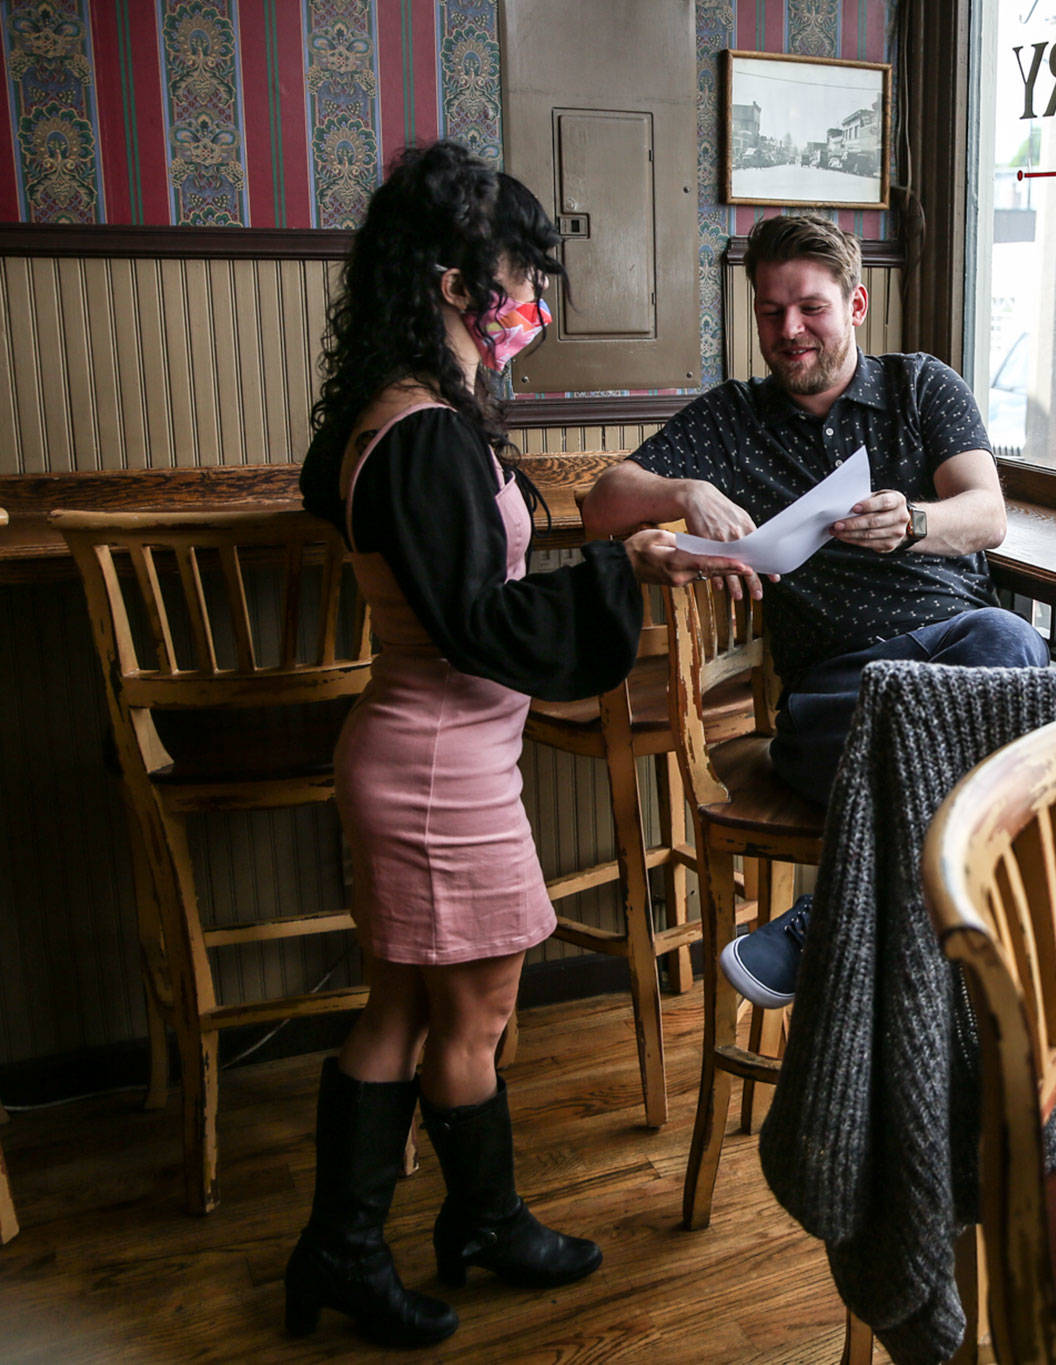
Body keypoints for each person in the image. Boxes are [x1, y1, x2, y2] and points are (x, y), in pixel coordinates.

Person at [287, 141, 763, 1348]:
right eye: (518, 273)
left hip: (416, 752)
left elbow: (452, 592)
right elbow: (482, 622)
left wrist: (615, 558)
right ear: (456, 284)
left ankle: (349, 1250)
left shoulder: (385, 417)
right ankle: (475, 1223)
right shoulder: (427, 435)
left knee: (404, 1008)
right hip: (440, 770)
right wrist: (627, 562)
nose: (530, 300)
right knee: (474, 1018)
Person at [581, 213, 1048, 1009]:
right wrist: (684, 491)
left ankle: (828, 918)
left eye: (811, 308)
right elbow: (601, 507)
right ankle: (957, 973)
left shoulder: (920, 385)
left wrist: (917, 522)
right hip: (835, 690)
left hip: (960, 647)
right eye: (770, 311)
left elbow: (988, 513)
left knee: (1008, 639)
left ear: (857, 304)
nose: (789, 330)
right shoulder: (734, 417)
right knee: (988, 753)